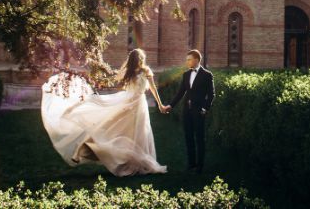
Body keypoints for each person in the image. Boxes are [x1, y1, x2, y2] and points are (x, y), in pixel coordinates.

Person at [40, 48, 168, 176]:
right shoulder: (130, 72)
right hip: (129, 103)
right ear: (137, 60)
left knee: (136, 133)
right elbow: (124, 83)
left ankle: (132, 162)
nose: (141, 61)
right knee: (110, 126)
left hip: (138, 104)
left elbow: (153, 88)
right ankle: (85, 148)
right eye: (139, 59)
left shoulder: (145, 71)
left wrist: (160, 105)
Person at [162, 49, 214, 173]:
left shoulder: (207, 75)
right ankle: (191, 164)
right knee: (188, 137)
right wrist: (171, 105)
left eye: (189, 59)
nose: (187, 62)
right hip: (187, 111)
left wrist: (204, 109)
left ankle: (200, 166)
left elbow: (211, 94)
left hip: (199, 111)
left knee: (199, 138)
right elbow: (180, 93)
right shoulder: (186, 74)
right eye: (186, 60)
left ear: (196, 60)